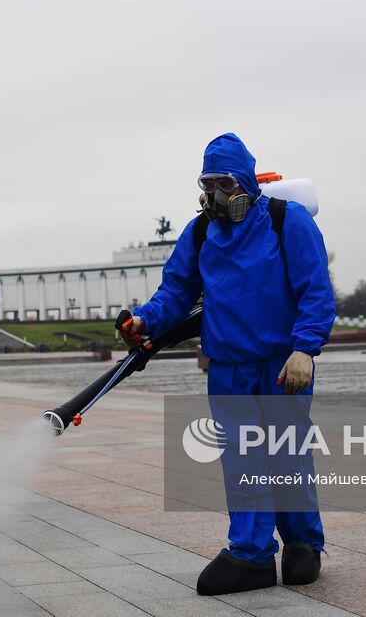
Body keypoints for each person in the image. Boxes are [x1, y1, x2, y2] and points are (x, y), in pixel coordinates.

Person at [123, 133, 336, 595]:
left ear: (245, 183)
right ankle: (253, 553)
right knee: (244, 460)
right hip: (229, 368)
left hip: (283, 366)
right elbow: (176, 293)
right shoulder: (201, 232)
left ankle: (303, 543)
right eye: (208, 183)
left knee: (287, 457)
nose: (215, 194)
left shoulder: (287, 221)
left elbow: (315, 290)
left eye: (224, 182)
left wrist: (305, 349)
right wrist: (144, 319)